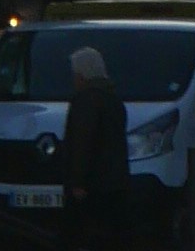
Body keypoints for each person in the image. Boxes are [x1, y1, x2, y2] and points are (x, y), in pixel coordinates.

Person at [63, 44, 131, 251]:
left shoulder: (86, 101)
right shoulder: (113, 99)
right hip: (114, 182)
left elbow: (82, 141)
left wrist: (78, 180)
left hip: (93, 184)